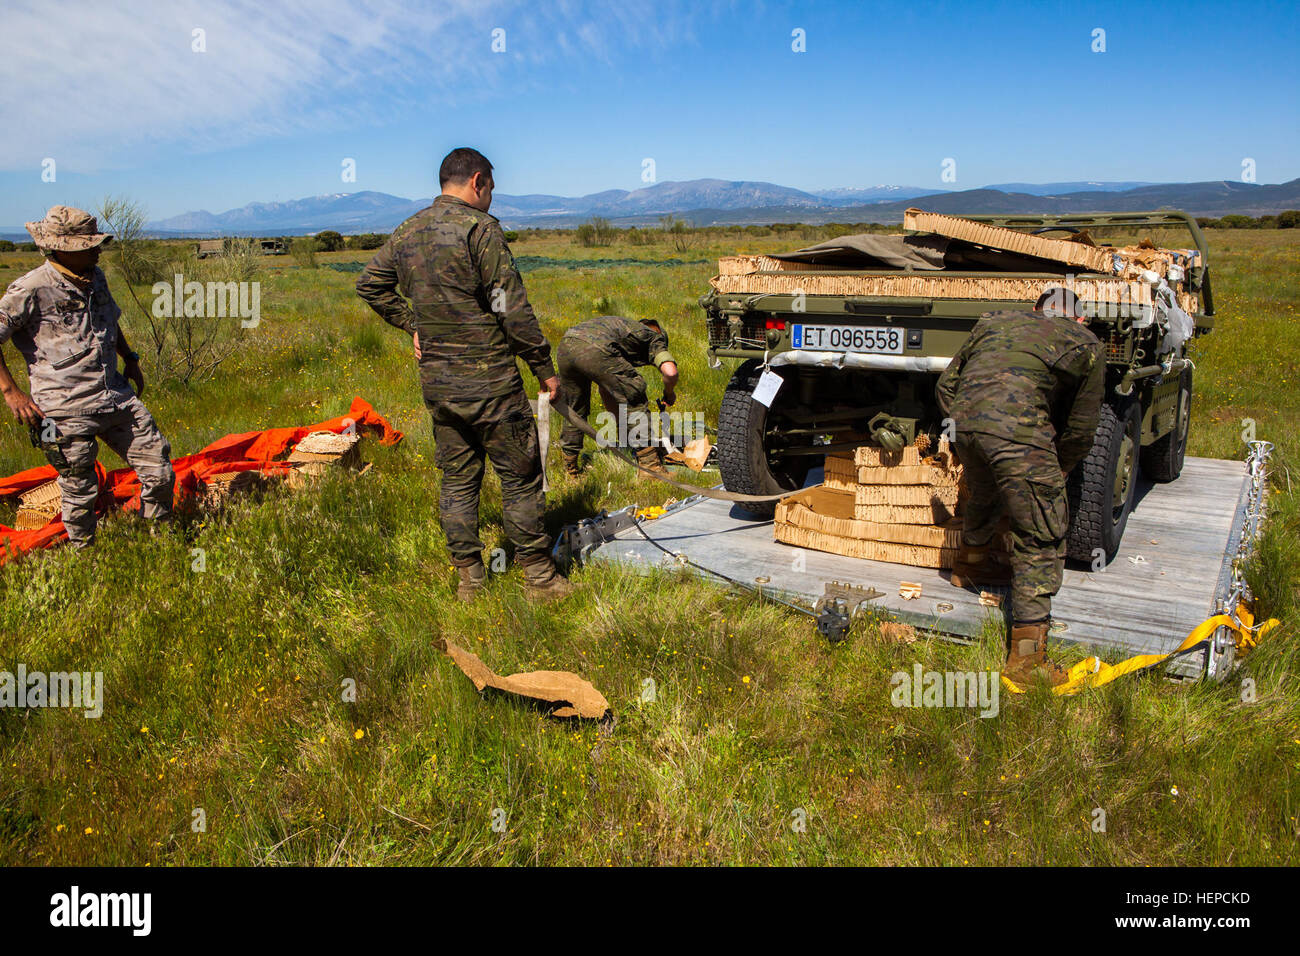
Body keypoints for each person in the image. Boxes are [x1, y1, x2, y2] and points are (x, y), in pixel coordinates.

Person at [355, 147, 571, 603]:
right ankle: (539, 577)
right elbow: (510, 307)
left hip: (440, 386)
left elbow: (369, 283)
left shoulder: (408, 230)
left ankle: (469, 580)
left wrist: (413, 324)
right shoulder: (480, 229)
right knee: (520, 475)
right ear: (478, 182)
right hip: (491, 384)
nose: (491, 197)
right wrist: (545, 371)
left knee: (457, 479)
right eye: (490, 188)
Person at [935, 287, 1104, 685]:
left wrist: (966, 425)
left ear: (1036, 309)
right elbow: (1082, 428)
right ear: (1078, 318)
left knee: (983, 491)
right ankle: (1028, 663)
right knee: (1041, 533)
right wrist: (1056, 470)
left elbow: (945, 386)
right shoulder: (1087, 343)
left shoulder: (993, 320)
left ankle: (970, 565)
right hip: (1020, 437)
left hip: (965, 425)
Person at [0, 205, 174, 548]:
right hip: (64, 408)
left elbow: (110, 320)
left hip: (115, 396)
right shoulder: (31, 288)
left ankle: (160, 541)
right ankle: (85, 555)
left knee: (159, 467)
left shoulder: (96, 278)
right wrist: (12, 393)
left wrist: (130, 357)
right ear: (61, 247)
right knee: (79, 487)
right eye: (88, 245)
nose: (97, 249)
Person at [556, 316, 679, 477]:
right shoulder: (654, 337)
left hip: (566, 345)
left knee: (574, 409)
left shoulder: (620, 330)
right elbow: (670, 372)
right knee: (634, 396)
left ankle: (570, 470)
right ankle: (651, 469)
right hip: (596, 348)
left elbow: (607, 390)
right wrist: (669, 393)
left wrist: (624, 430)